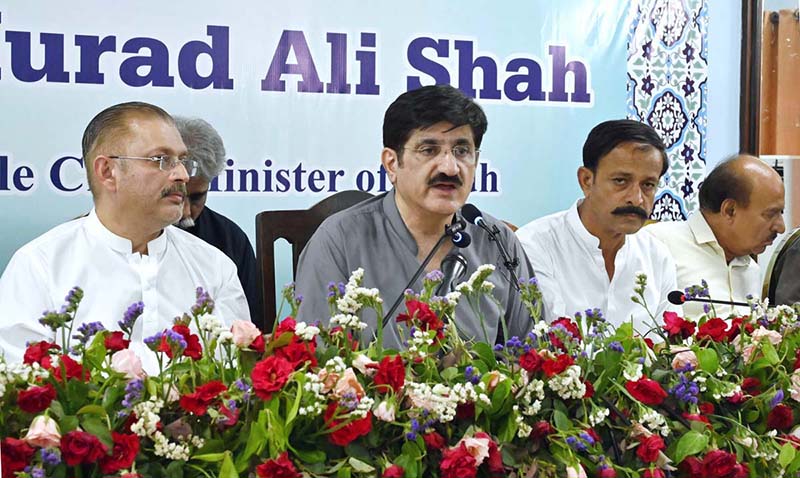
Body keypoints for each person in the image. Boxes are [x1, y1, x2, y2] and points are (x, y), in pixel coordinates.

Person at [0, 102, 249, 369]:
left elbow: (237, 378)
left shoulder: (215, 267)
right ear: (108, 172)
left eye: (182, 160)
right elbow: (22, 389)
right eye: (162, 160)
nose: (182, 175)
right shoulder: (40, 267)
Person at [294, 84, 541, 347]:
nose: (449, 167)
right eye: (429, 150)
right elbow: (320, 360)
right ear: (391, 163)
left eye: (462, 151)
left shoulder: (496, 240)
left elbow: (533, 354)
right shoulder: (339, 241)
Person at [516, 119, 677, 334]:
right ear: (586, 181)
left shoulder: (656, 255)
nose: (637, 199)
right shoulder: (535, 246)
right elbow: (546, 344)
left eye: (648, 185)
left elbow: (667, 350)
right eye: (621, 181)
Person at [644, 155, 785, 316]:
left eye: (781, 213)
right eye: (770, 214)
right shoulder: (657, 243)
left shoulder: (751, 270)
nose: (781, 227)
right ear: (729, 210)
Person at [174, 116, 262, 327]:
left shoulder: (231, 239)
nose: (185, 212)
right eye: (175, 195)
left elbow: (251, 330)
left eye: (196, 198)